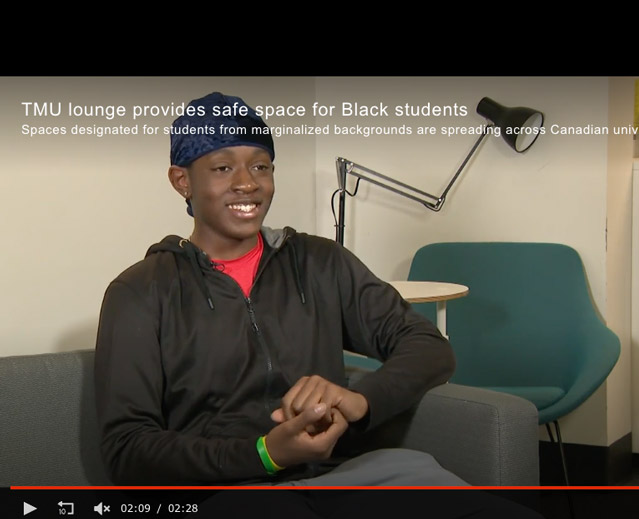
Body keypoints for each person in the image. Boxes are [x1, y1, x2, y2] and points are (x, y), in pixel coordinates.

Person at [94, 91, 467, 489]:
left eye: (261, 166)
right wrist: (266, 454)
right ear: (182, 180)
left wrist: (361, 400)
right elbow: (128, 451)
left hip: (339, 476)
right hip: (227, 492)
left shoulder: (320, 262)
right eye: (222, 168)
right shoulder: (140, 291)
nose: (247, 184)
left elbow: (428, 345)